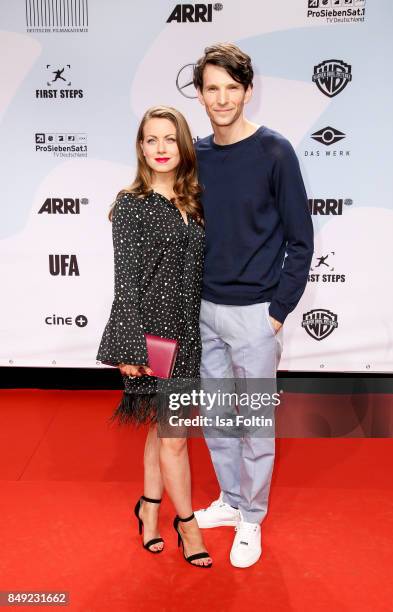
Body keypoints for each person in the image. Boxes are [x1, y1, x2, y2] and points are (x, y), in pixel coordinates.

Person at [192, 43, 314, 568]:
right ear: (199, 94)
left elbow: (300, 238)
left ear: (246, 91)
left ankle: (252, 519)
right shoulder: (194, 154)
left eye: (230, 87)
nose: (221, 98)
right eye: (211, 88)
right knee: (216, 417)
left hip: (255, 313)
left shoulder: (274, 151)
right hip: (202, 310)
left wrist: (277, 311)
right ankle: (229, 499)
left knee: (257, 422)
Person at [96, 106, 212, 568]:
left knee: (160, 429)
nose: (161, 149)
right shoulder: (131, 204)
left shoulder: (196, 201)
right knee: (175, 436)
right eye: (151, 140)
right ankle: (187, 525)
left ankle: (148, 510)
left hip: (188, 333)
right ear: (141, 147)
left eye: (170, 139)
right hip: (152, 336)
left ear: (183, 145)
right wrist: (128, 345)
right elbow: (125, 281)